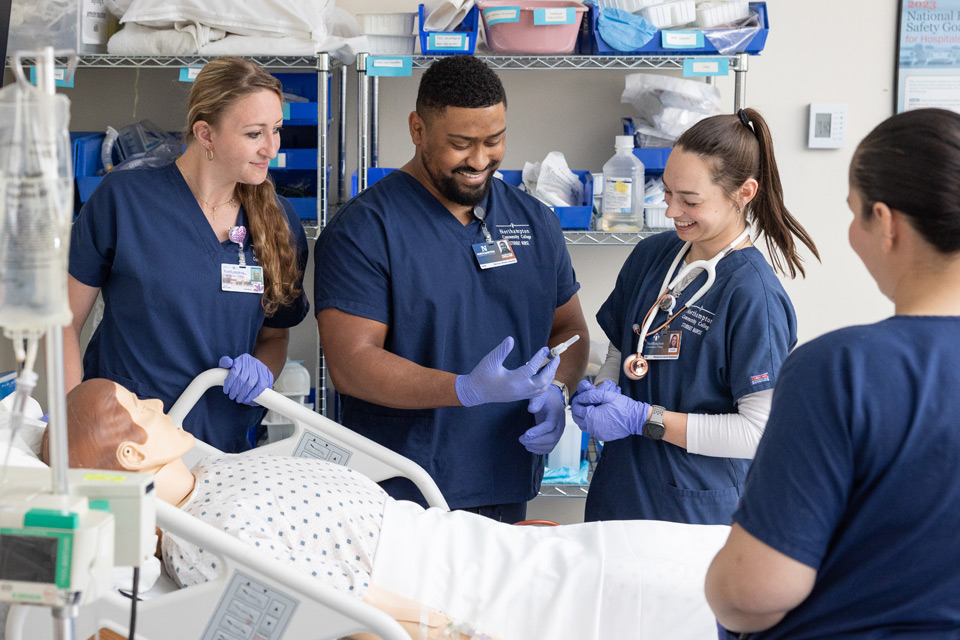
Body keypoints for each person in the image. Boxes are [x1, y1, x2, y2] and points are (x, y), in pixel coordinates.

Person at [49, 378, 731, 640]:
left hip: (468, 542)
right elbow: (344, 610)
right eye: (137, 408)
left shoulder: (220, 472)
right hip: (458, 586)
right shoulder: (206, 543)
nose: (157, 403)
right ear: (131, 456)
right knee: (675, 596)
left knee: (666, 558)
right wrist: (450, 627)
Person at [705, 108, 960, 637]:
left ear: (885, 222)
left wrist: (723, 584)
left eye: (853, 213)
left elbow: (751, 595)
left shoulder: (842, 371)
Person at [313, 55, 588, 522]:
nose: (479, 160)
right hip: (403, 489)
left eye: (493, 141)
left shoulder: (534, 222)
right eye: (461, 144)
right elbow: (352, 364)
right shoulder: (364, 230)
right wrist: (465, 389)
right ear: (418, 129)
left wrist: (558, 389)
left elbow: (568, 329)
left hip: (505, 473)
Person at [572, 108, 819, 525]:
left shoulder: (752, 294)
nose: (671, 211)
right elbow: (621, 348)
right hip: (620, 491)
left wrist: (643, 418)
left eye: (689, 200)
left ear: (743, 193)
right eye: (667, 192)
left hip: (692, 508)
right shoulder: (651, 255)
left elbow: (757, 431)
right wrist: (602, 392)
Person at [65, 57, 310, 453]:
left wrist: (262, 369)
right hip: (123, 437)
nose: (272, 148)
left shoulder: (279, 222)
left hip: (221, 445)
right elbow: (64, 323)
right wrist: (70, 421)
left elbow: (275, 335)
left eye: (277, 129)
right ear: (205, 134)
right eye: (254, 134)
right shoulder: (125, 201)